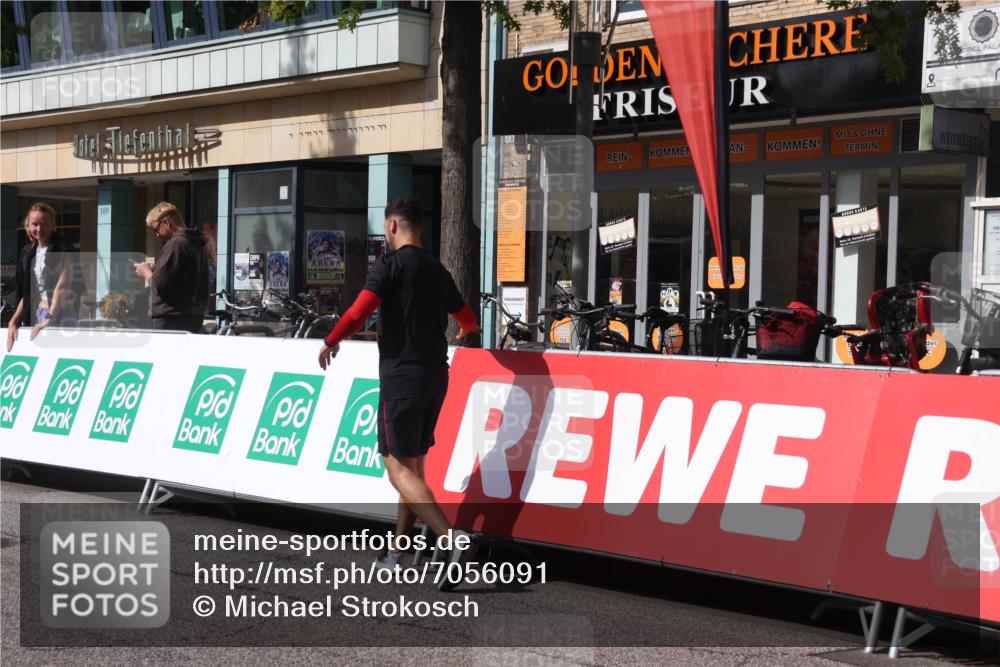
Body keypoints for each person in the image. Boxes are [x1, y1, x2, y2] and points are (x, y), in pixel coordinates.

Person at [317, 196, 480, 589]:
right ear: (419, 227)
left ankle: (451, 539)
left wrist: (331, 340)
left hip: (401, 377)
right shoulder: (437, 269)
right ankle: (396, 553)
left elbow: (357, 313)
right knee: (413, 468)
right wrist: (466, 330)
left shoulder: (389, 266)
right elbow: (466, 316)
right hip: (435, 377)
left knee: (396, 468)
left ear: (392, 226)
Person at [7, 203, 79, 352]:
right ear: (28, 226)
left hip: (61, 315)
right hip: (40, 315)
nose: (39, 229)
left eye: (44, 224)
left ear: (53, 225)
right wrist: (13, 322)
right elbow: (26, 294)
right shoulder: (28, 253)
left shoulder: (65, 249)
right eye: (35, 224)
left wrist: (49, 318)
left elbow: (62, 286)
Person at [134, 202, 210, 333]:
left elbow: (159, 285)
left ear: (167, 223)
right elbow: (183, 277)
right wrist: (158, 269)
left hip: (171, 318)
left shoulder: (176, 244)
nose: (157, 234)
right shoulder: (197, 244)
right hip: (194, 317)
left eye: (156, 229)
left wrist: (145, 271)